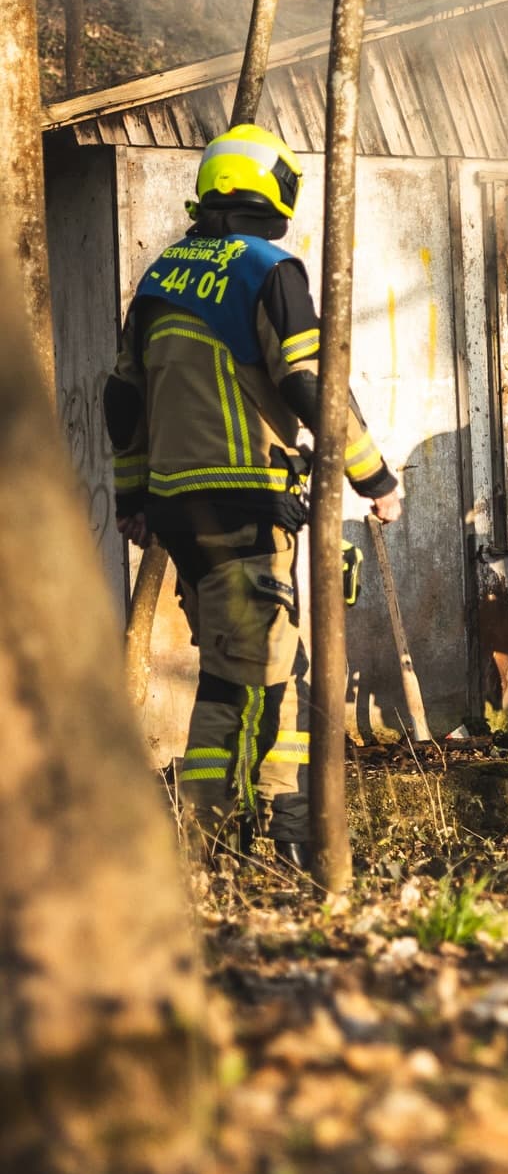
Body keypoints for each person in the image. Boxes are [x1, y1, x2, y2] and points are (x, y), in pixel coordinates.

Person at [106, 124, 402, 872]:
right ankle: (215, 843)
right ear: (274, 194)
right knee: (245, 679)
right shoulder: (271, 270)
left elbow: (122, 401)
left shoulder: (165, 274)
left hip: (178, 508)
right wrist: (375, 478)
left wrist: (132, 500)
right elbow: (310, 384)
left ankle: (272, 823)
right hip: (248, 504)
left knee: (260, 663)